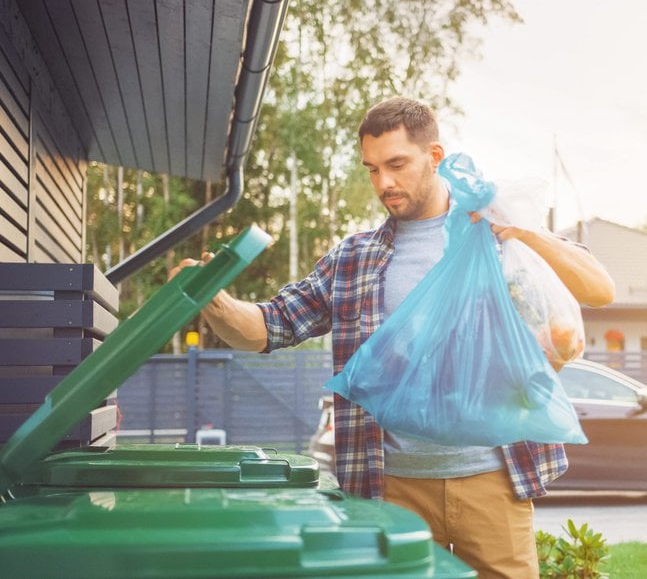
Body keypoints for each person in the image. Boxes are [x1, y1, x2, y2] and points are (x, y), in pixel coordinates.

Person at [170, 97, 615, 579]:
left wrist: (523, 232)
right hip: (392, 485)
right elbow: (269, 327)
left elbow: (598, 289)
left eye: (397, 164)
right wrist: (213, 300)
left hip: (492, 477)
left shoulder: (495, 237)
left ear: (435, 156)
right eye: (372, 169)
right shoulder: (355, 259)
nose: (384, 182)